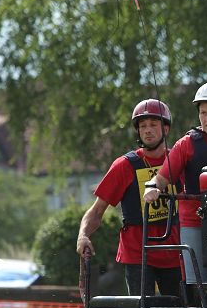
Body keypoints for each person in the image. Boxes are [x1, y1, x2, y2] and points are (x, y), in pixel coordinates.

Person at [76, 99, 182, 297]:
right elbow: (96, 211)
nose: (147, 130)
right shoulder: (124, 165)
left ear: (166, 129)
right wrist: (83, 236)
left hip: (174, 253)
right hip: (138, 255)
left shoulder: (178, 160)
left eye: (153, 125)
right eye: (142, 126)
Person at [143, 80, 207, 283]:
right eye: (203, 113)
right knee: (196, 283)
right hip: (194, 221)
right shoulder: (186, 144)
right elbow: (161, 178)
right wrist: (151, 188)